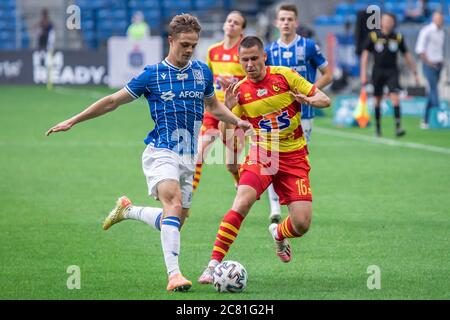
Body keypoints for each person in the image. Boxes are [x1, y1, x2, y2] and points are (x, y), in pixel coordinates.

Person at [45, 14, 251, 293]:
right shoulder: (152, 75)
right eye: (184, 44)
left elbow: (213, 107)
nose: (189, 50)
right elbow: (112, 101)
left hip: (189, 156)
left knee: (175, 220)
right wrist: (73, 120)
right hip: (161, 151)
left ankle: (128, 210)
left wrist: (236, 120)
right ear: (171, 40)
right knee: (174, 205)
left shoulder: (202, 72)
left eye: (193, 45)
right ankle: (174, 275)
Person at [198, 36, 331, 284]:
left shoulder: (285, 76)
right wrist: (227, 112)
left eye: (254, 59)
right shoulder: (238, 92)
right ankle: (212, 265)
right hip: (263, 154)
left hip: (294, 156)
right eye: (244, 60)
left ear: (264, 57)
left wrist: (308, 100)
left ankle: (278, 233)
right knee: (241, 202)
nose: (249, 64)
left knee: (302, 224)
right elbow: (229, 138)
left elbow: (325, 99)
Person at [264, 3, 332, 223]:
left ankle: (294, 200)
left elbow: (327, 74)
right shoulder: (269, 51)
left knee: (295, 159)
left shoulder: (309, 47)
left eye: (289, 19)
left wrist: (311, 93)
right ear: (276, 22)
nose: (285, 23)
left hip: (305, 114)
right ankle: (275, 206)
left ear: (296, 22)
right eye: (282, 19)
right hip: (277, 115)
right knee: (271, 156)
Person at [193, 11, 247, 192]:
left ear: (242, 30)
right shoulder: (213, 50)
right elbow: (209, 79)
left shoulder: (245, 53)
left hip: (235, 113)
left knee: (231, 165)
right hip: (214, 110)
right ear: (224, 25)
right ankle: (186, 199)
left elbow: (252, 83)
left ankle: (241, 184)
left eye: (236, 23)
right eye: (229, 20)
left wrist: (234, 84)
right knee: (199, 154)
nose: (231, 24)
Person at [360, 13, 419, 137]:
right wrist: (363, 74)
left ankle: (398, 127)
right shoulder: (374, 36)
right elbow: (365, 56)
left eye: (390, 21)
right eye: (385, 20)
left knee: (395, 97)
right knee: (377, 99)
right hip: (378, 71)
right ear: (381, 22)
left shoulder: (397, 37)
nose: (388, 23)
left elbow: (407, 55)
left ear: (393, 23)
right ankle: (378, 127)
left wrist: (415, 71)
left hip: (392, 71)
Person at [415, 11, 446, 129]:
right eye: (438, 18)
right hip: (429, 65)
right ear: (433, 19)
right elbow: (420, 50)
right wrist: (429, 62)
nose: (440, 21)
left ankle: (426, 119)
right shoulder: (426, 31)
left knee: (432, 93)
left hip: (439, 64)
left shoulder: (442, 32)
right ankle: (439, 116)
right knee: (434, 90)